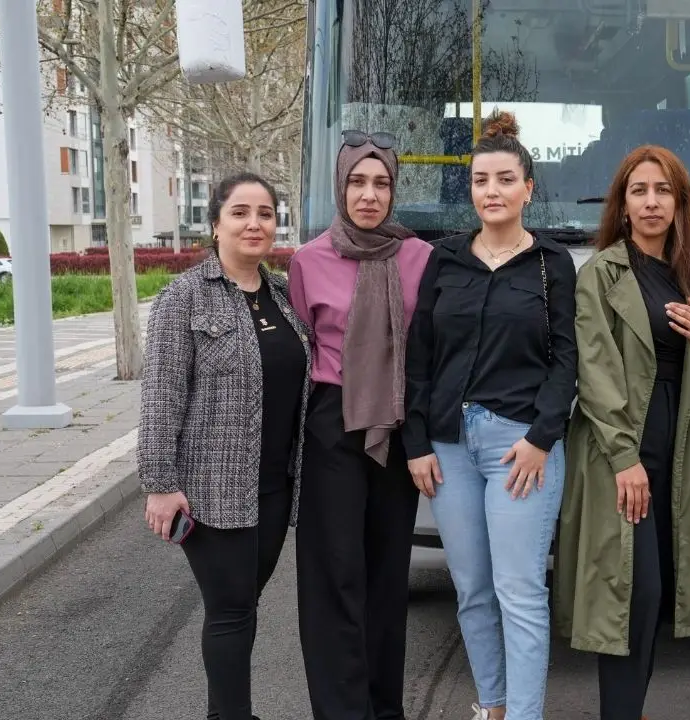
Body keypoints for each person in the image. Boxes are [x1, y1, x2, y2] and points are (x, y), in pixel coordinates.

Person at [404, 110, 578, 720]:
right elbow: (419, 357)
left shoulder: (552, 263)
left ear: (528, 188)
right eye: (481, 180)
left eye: (505, 180)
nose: (492, 191)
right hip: (449, 446)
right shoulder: (443, 259)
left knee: (519, 591)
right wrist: (416, 442)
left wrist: (542, 437)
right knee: (473, 591)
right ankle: (493, 707)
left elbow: (566, 359)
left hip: (520, 447)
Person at [554, 145, 690, 720]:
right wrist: (624, 458)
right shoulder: (601, 272)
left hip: (677, 442)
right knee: (632, 587)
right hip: (620, 443)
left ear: (680, 204)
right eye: (639, 191)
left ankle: (631, 708)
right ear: (622, 205)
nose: (651, 202)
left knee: (660, 586)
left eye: (663, 191)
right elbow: (595, 371)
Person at [139, 172, 312, 720]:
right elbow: (161, 396)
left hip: (275, 487)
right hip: (212, 491)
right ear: (215, 224)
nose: (254, 224)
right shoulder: (183, 298)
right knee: (232, 610)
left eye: (265, 214)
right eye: (240, 213)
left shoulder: (284, 296)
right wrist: (160, 485)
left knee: (243, 606)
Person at [288, 130, 434, 720]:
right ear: (340, 187)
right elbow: (303, 342)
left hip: (397, 424)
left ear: (394, 191)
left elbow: (427, 345)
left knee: (387, 575)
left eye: (381, 183)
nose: (369, 195)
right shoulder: (308, 260)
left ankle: (383, 708)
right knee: (335, 575)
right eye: (357, 182)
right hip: (333, 423)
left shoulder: (421, 257)